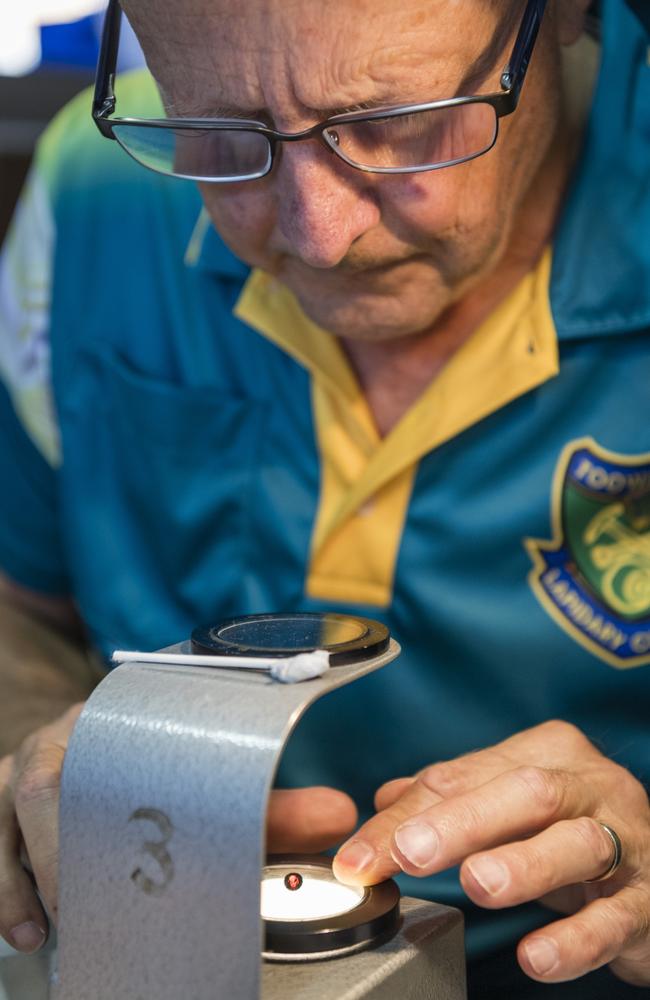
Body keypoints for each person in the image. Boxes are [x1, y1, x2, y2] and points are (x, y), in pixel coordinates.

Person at [0, 0, 649, 995]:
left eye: (397, 124)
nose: (319, 233)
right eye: (222, 134)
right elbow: (17, 601)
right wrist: (31, 766)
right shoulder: (94, 203)